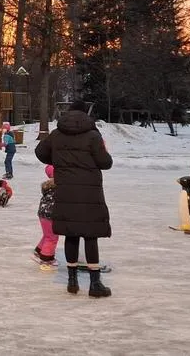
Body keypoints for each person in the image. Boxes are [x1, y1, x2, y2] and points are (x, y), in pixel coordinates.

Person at [35, 99, 113, 298]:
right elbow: (105, 162)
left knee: (71, 234)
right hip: (89, 192)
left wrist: (59, 159)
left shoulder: (57, 134)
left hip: (66, 191)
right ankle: (95, 284)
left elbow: (40, 152)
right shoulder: (93, 135)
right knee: (90, 235)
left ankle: (72, 281)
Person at [33, 165, 58, 269]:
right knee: (52, 237)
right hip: (50, 214)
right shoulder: (59, 186)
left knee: (47, 235)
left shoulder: (48, 186)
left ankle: (38, 251)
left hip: (43, 213)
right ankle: (46, 259)